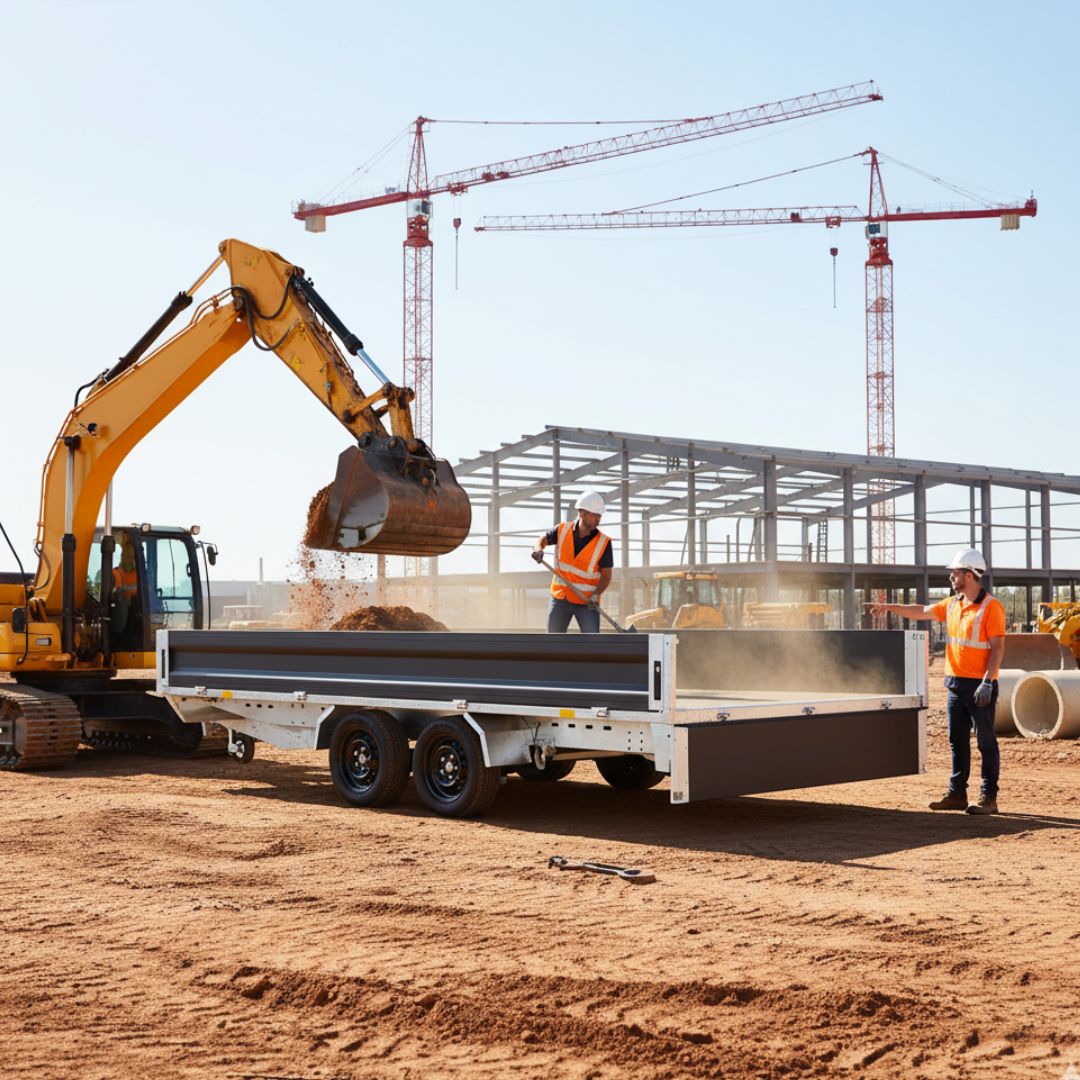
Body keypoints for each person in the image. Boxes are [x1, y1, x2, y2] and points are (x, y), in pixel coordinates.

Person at [871, 548, 1005, 815]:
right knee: (957, 739)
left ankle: (989, 798)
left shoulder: (991, 607)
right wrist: (890, 608)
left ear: (969, 574)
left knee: (986, 741)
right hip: (955, 684)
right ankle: (957, 795)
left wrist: (987, 681)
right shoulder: (953, 603)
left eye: (955, 573)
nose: (951, 577)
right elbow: (921, 611)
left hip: (980, 686)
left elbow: (998, 646)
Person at [532, 491, 613, 633]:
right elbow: (541, 540)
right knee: (552, 643)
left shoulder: (604, 543)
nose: (597, 519)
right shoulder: (562, 530)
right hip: (560, 598)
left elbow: (606, 576)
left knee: (592, 644)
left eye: (599, 515)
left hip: (587, 602)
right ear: (581, 512)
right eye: (594, 514)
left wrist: (596, 594)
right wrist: (538, 549)